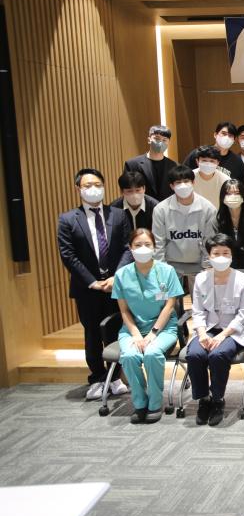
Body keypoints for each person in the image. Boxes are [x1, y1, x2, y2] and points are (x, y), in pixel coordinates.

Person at [58, 168, 133, 400]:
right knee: (92, 333)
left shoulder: (118, 215)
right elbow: (68, 255)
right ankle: (98, 378)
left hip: (115, 285)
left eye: (98, 185)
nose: (93, 189)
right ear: (78, 189)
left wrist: (116, 276)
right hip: (87, 289)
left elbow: (128, 248)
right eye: (87, 185)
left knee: (115, 330)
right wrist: (92, 282)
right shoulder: (68, 219)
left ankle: (115, 376)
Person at [112, 228, 184, 423]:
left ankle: (154, 403)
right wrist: (136, 334)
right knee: (129, 356)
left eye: (147, 244)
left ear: (154, 247)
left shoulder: (166, 271)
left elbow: (169, 305)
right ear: (130, 248)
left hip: (163, 328)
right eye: (138, 245)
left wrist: (153, 333)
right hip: (132, 328)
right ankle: (140, 402)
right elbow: (124, 310)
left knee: (152, 354)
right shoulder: (121, 275)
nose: (142, 248)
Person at [187, 234, 244, 427]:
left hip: (233, 331)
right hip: (207, 329)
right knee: (194, 354)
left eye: (226, 253)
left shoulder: (243, 280)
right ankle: (203, 399)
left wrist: (222, 336)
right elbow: (197, 311)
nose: (221, 257)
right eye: (216, 253)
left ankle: (217, 400)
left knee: (218, 355)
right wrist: (202, 334)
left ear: (232, 255)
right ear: (209, 256)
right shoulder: (201, 278)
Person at [151, 165, 217, 280]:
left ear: (193, 182)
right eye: (178, 182)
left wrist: (208, 267)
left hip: (200, 266)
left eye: (186, 181)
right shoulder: (160, 209)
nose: (183, 185)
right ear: (171, 186)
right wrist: (162, 270)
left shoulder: (208, 209)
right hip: (170, 266)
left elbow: (209, 242)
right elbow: (158, 243)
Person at [209, 179, 244, 273]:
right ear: (222, 197)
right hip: (225, 268)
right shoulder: (216, 220)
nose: (233, 196)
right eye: (228, 193)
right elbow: (215, 247)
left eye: (237, 193)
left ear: (243, 196)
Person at [123, 125, 177, 202]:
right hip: (142, 207)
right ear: (149, 140)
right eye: (157, 139)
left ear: (168, 142)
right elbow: (127, 189)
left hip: (166, 208)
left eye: (164, 140)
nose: (160, 143)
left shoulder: (173, 166)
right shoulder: (132, 164)